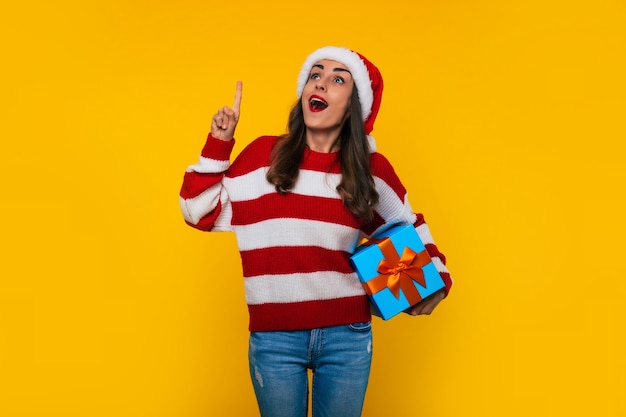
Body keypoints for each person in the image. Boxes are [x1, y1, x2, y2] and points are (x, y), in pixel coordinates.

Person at [179, 46, 453, 417]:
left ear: (354, 105)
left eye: (337, 78)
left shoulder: (369, 169)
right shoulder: (263, 156)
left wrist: (435, 280)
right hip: (274, 341)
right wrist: (220, 142)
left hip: (347, 338)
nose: (321, 83)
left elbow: (410, 229)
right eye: (315, 74)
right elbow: (197, 211)